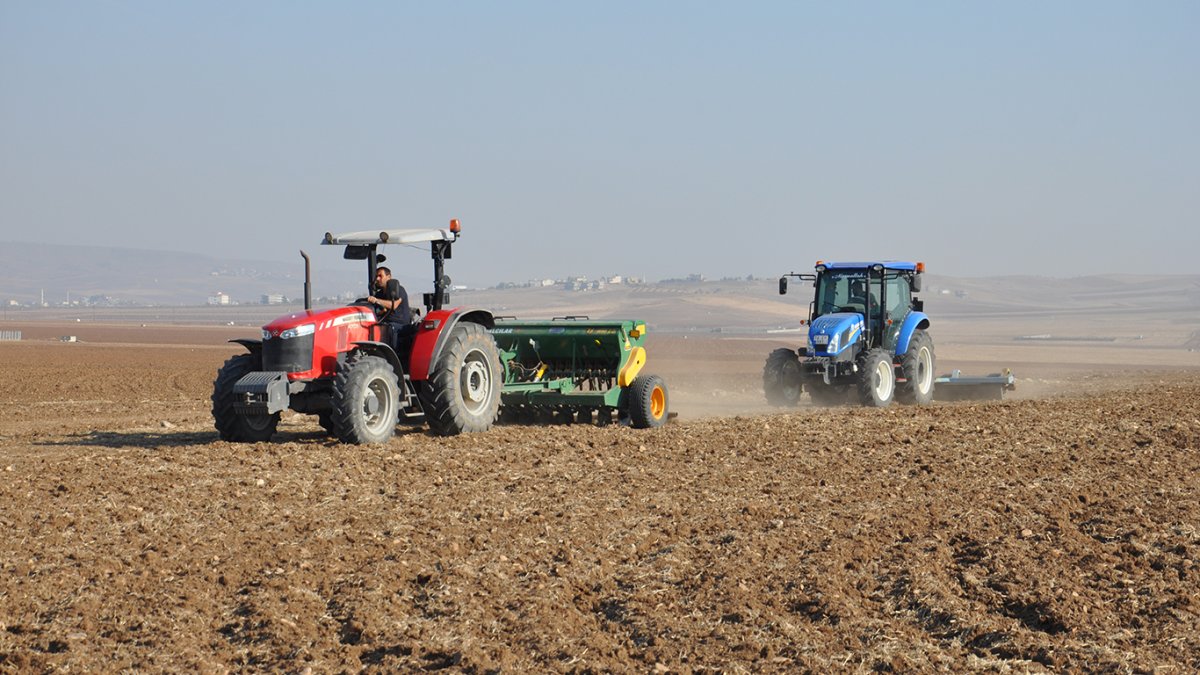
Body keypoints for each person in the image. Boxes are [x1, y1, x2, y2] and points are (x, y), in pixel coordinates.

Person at [367, 266, 414, 353]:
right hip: (386, 322)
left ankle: (392, 354)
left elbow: (394, 305)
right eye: (377, 276)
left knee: (389, 328)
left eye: (380, 276)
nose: (377, 278)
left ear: (389, 277)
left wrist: (377, 300)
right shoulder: (380, 294)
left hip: (400, 324)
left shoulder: (399, 290)